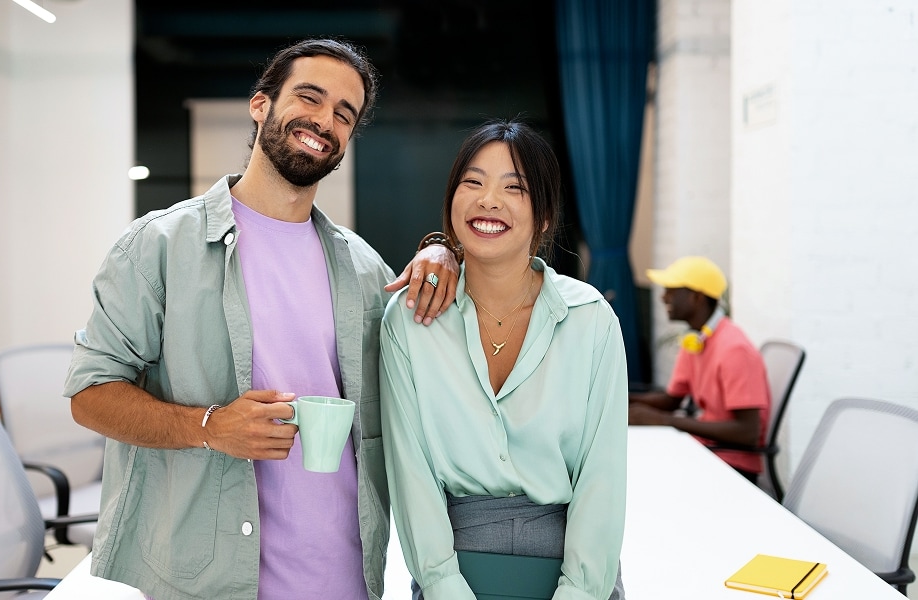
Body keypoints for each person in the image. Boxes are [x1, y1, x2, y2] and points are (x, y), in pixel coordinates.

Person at [62, 38, 462, 600]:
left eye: (344, 115)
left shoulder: (364, 268)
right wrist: (208, 427)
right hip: (205, 580)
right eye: (310, 97)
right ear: (260, 105)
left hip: (345, 577)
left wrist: (445, 248)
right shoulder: (158, 246)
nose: (325, 121)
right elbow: (90, 394)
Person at [380, 119, 628, 600]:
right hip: (451, 571)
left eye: (513, 187)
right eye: (472, 182)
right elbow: (410, 474)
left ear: (544, 216)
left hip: (574, 575)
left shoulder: (591, 320)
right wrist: (443, 586)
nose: (487, 200)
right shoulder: (408, 321)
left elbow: (604, 478)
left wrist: (579, 593)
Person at [627, 255, 771, 482]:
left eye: (672, 290)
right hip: (703, 452)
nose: (664, 297)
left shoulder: (735, 349)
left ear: (696, 297)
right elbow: (671, 401)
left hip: (730, 466)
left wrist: (665, 420)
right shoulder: (696, 340)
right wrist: (619, 401)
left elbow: (748, 433)